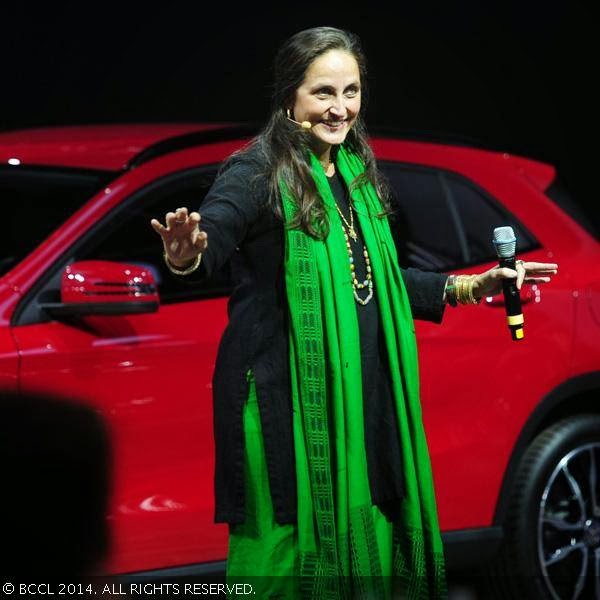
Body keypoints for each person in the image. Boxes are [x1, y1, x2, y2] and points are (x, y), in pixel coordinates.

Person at [151, 27, 558, 599]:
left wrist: (473, 286)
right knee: (283, 554)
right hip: (282, 403)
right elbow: (213, 233)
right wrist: (188, 252)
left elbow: (374, 283)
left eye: (351, 91)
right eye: (323, 93)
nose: (340, 109)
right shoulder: (256, 171)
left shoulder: (356, 175)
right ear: (289, 96)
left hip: (362, 396)